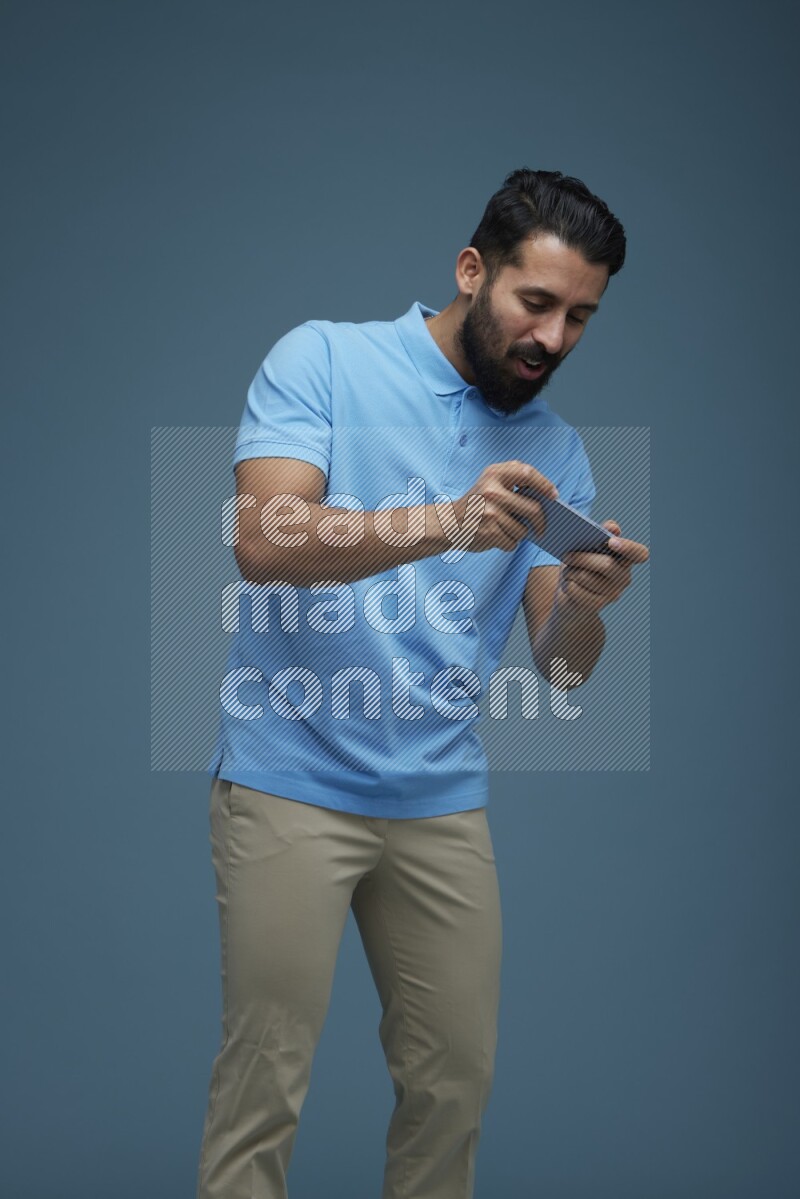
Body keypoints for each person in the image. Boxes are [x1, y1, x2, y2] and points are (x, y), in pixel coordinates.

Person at [196, 168, 649, 1199]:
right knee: (262, 1087)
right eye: (534, 303)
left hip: (439, 800)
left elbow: (560, 666)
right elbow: (262, 543)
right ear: (470, 270)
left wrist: (586, 600)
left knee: (453, 1085)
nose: (552, 337)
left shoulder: (556, 451)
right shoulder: (321, 358)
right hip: (285, 782)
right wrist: (441, 521)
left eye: (579, 316)